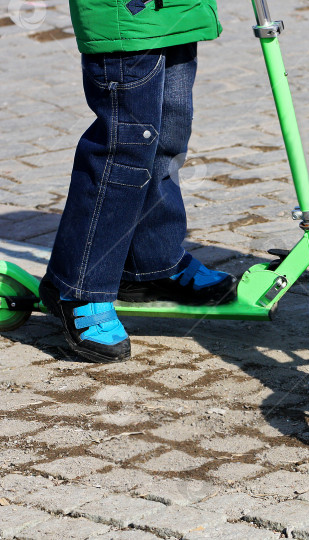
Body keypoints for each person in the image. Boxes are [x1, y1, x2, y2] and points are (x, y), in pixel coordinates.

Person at [40, 0, 236, 364]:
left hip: (179, 12)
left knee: (167, 139)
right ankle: (79, 286)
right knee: (125, 148)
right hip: (128, 15)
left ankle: (152, 263)